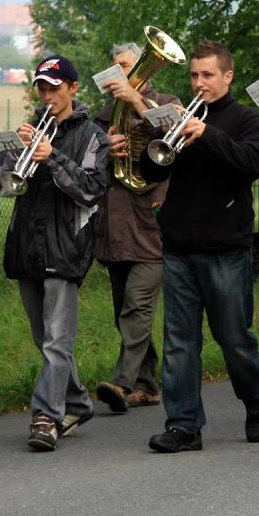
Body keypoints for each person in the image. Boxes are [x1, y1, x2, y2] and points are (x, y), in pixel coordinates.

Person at [138, 40, 259, 453]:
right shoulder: (180, 118)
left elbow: (251, 164)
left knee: (233, 337)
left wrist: (207, 133)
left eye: (208, 75)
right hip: (178, 246)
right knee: (179, 341)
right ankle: (184, 425)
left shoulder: (245, 119)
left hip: (226, 248)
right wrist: (159, 138)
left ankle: (256, 400)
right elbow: (149, 172)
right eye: (194, 75)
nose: (199, 83)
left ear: (227, 76)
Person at [0, 56, 109, 451]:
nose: (47, 95)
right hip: (27, 245)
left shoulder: (92, 135)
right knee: (45, 340)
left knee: (57, 341)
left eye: (54, 87)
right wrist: (13, 153)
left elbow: (91, 190)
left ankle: (46, 417)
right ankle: (78, 403)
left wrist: (51, 156)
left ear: (73, 88)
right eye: (41, 87)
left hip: (65, 248)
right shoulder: (32, 128)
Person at [90, 41, 182, 415]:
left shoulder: (168, 103)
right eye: (116, 67)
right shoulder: (103, 116)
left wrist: (137, 101)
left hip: (152, 226)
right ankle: (146, 385)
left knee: (137, 307)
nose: (120, 73)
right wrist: (104, 151)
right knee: (122, 311)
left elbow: (175, 134)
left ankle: (121, 381)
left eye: (127, 65)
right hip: (114, 227)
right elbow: (86, 168)